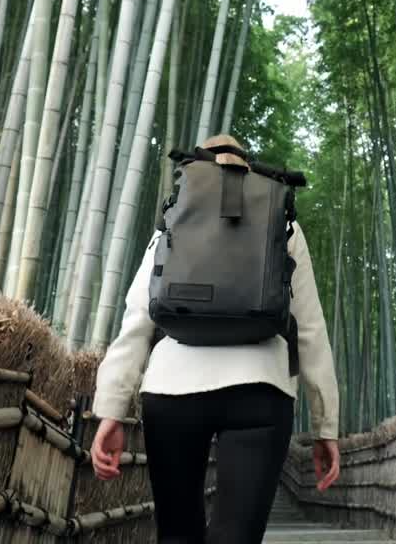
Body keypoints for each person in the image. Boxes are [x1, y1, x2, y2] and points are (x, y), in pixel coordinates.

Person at [90, 134, 341, 544]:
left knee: (177, 534)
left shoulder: (175, 219)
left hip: (172, 392)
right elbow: (310, 330)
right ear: (248, 168)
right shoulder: (281, 221)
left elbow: (137, 321)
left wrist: (110, 411)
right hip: (260, 391)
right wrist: (326, 427)